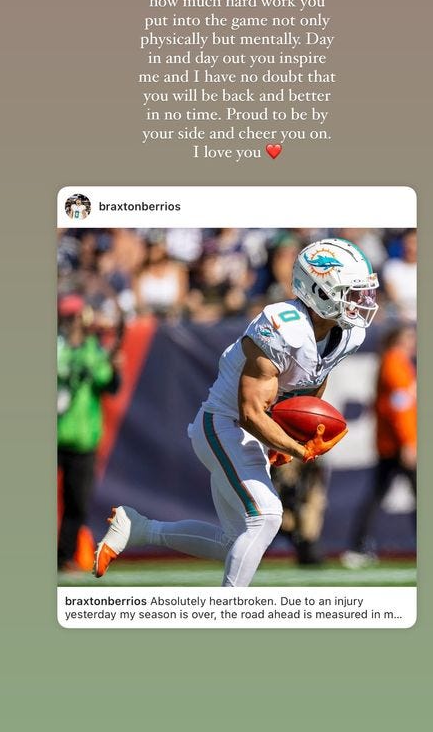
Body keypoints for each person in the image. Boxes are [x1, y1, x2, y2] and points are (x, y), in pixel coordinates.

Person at [93, 238, 379, 586]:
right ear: (319, 291)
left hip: (250, 434)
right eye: (351, 292)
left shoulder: (347, 334)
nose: (361, 302)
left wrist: (290, 434)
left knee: (235, 540)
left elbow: (314, 378)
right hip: (223, 424)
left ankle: (139, 529)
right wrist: (298, 448)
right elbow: (250, 413)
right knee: (267, 518)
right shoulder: (281, 325)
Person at [341, 324, 417, 567]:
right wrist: (408, 442)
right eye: (408, 336)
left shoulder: (396, 361)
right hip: (397, 445)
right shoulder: (395, 361)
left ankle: (358, 545)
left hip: (392, 443)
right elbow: (399, 407)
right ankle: (358, 546)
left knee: (378, 494)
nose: (412, 342)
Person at [57, 295, 120, 571]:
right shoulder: (57, 348)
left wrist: (112, 366)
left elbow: (109, 383)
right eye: (67, 317)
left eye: (75, 317)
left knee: (76, 503)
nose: (72, 323)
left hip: (82, 437)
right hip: (56, 433)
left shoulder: (94, 350)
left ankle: (64, 557)